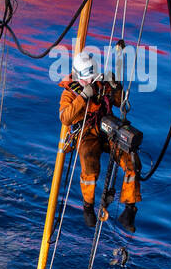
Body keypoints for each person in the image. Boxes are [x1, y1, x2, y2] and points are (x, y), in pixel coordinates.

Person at [59, 49, 141, 232]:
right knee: (89, 167)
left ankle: (129, 210)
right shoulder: (70, 93)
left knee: (132, 162)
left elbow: (121, 103)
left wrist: (116, 86)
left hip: (108, 129)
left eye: (91, 78)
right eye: (86, 79)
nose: (89, 82)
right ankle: (88, 207)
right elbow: (65, 118)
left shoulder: (102, 84)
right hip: (88, 133)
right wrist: (83, 97)